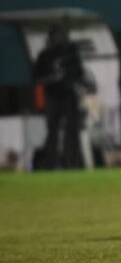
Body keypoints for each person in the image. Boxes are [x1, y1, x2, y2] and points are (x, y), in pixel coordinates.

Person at [33, 25, 87, 169]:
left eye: (63, 35)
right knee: (52, 132)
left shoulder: (72, 54)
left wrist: (77, 83)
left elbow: (80, 74)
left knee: (72, 131)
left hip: (69, 96)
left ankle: (73, 164)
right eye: (57, 35)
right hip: (52, 97)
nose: (61, 38)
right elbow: (37, 79)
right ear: (51, 37)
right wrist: (53, 78)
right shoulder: (44, 55)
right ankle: (51, 164)